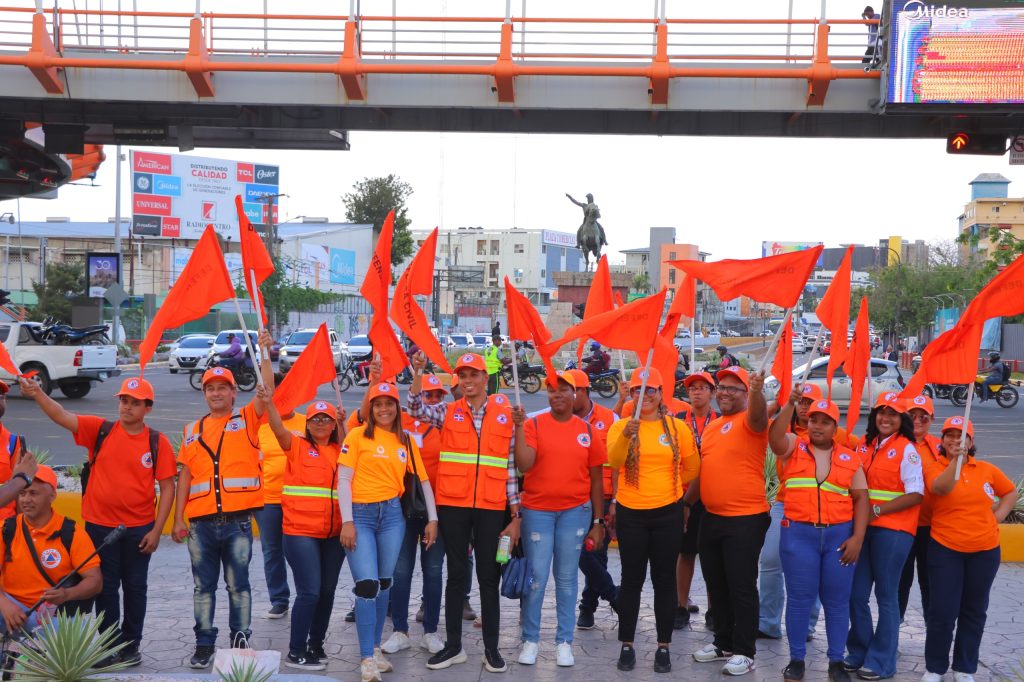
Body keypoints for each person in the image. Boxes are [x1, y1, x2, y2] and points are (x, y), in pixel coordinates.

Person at [20, 376, 176, 667]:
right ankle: (107, 646)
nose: (127, 407)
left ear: (147, 408)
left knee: (135, 587)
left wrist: (156, 530)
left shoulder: (157, 442)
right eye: (123, 400)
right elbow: (62, 416)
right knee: (104, 587)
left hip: (139, 529)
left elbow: (168, 486)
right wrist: (39, 393)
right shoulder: (100, 430)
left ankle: (130, 645)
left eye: (135, 403)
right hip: (100, 528)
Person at [409, 352, 521, 673]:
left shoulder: (504, 414)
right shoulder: (448, 411)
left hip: (490, 508)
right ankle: (454, 646)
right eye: (463, 376)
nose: (468, 381)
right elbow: (416, 408)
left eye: (474, 375)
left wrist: (515, 514)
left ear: (486, 378)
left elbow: (511, 467)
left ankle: (491, 649)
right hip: (454, 506)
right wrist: (418, 371)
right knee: (456, 575)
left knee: (489, 576)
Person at [172, 330, 275, 669]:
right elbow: (184, 475)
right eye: (210, 388)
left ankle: (240, 638)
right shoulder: (192, 430)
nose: (216, 393)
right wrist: (177, 519)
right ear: (205, 393)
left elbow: (266, 392)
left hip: (237, 522)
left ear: (234, 392)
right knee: (203, 588)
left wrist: (264, 353)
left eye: (222, 387)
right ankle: (204, 643)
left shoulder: (245, 419)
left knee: (238, 585)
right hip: (200, 524)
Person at [339, 381, 438, 682]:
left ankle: (376, 649)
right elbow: (343, 479)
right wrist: (347, 521)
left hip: (393, 516)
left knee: (384, 583)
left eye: (389, 404)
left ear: (397, 408)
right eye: (378, 404)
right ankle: (367, 657)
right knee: (367, 585)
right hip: (361, 515)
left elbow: (422, 482)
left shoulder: (406, 441)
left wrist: (432, 519)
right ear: (371, 409)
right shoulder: (356, 436)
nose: (383, 409)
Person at [769, 395, 869, 682]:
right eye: (813, 420)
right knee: (800, 600)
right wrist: (788, 405)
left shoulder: (850, 458)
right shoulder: (792, 446)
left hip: (838, 538)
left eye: (825, 422)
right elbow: (774, 438)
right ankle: (797, 659)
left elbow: (861, 499)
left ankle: (836, 661)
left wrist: (858, 539)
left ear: (835, 427)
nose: (817, 426)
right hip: (799, 536)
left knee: (837, 602)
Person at [607, 367, 700, 674]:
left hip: (667, 514)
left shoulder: (676, 428)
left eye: (650, 390)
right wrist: (626, 434)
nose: (644, 395)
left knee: (664, 581)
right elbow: (616, 462)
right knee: (631, 581)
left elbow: (691, 467)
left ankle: (664, 647)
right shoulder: (620, 425)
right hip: (631, 514)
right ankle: (627, 644)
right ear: (630, 394)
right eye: (637, 390)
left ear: (661, 394)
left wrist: (671, 488)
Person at [512, 372, 607, 668]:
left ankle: (564, 641)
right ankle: (530, 639)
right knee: (537, 578)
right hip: (537, 512)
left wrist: (598, 521)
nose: (558, 395)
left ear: (575, 392)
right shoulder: (533, 424)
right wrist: (518, 430)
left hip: (575, 513)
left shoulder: (588, 431)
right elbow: (524, 465)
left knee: (566, 580)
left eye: (564, 390)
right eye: (552, 390)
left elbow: (596, 481)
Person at [920, 417, 1017, 682]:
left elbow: (1009, 492)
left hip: (985, 551)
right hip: (945, 549)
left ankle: (964, 668)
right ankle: (935, 668)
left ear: (971, 442)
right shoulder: (933, 467)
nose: (955, 440)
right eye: (949, 435)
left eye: (961, 436)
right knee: (942, 610)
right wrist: (956, 462)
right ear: (941, 441)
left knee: (974, 610)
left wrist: (996, 517)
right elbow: (940, 488)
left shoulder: (986, 469)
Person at [258, 387, 346, 672]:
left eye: (326, 419)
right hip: (300, 532)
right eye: (315, 419)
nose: (320, 423)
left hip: (333, 535)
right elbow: (276, 426)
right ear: (306, 424)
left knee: (328, 591)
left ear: (334, 424)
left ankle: (316, 644)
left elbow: (352, 446)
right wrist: (269, 402)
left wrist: (345, 423)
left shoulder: (340, 451)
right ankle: (295, 652)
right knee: (309, 592)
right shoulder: (295, 445)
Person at [691, 365, 770, 677]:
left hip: (745, 517)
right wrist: (686, 504)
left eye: (732, 389)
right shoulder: (713, 426)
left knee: (741, 585)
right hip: (712, 517)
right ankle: (722, 641)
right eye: (721, 387)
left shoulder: (751, 421)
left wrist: (756, 391)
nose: (724, 393)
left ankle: (745, 651)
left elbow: (760, 416)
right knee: (717, 583)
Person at [760, 382, 852, 642]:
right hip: (784, 504)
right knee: (769, 561)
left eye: (809, 403)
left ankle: (808, 626)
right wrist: (786, 404)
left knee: (813, 571)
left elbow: (861, 451)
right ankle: (767, 622)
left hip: (821, 514)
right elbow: (767, 428)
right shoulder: (786, 429)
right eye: (802, 402)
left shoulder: (838, 435)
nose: (804, 408)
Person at [844, 392, 924, 681]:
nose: (885, 418)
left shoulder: (907, 449)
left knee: (886, 596)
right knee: (855, 594)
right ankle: (858, 652)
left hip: (894, 531)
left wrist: (877, 510)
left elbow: (916, 494)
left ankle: (882, 661)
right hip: (863, 529)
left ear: (902, 419)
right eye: (881, 412)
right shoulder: (865, 445)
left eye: (892, 414)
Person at [383, 369, 448, 656]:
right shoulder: (399, 424)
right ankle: (400, 630)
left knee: (433, 571)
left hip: (436, 510)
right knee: (401, 570)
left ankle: (431, 631)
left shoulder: (446, 425)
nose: (433, 399)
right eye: (428, 394)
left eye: (438, 395)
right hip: (402, 508)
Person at [0, 466, 102, 636]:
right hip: (11, 613)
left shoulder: (71, 532)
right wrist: (4, 603)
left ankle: (25, 648)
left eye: (34, 493)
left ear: (52, 495)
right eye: (22, 494)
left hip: (50, 618)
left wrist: (66, 594)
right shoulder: (7, 529)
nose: (26, 499)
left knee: (74, 639)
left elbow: (95, 581)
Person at [565, 369, 620, 631]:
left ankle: (587, 607)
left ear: (585, 392)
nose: (565, 396)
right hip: (573, 497)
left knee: (596, 554)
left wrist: (615, 502)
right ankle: (613, 596)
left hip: (605, 495)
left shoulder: (611, 419)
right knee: (582, 553)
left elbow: (619, 463)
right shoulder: (559, 418)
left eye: (571, 391)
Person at [253, 375, 305, 620]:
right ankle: (279, 599)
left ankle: (306, 594)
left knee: (300, 552)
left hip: (300, 499)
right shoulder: (260, 427)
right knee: (272, 551)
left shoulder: (307, 423)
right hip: (268, 501)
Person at [676, 371, 720, 629]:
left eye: (703, 387)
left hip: (713, 495)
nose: (697, 392)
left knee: (712, 556)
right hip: (684, 497)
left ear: (712, 393)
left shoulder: (722, 421)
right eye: (693, 388)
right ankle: (680, 605)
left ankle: (714, 611)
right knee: (685, 553)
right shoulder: (678, 421)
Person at [898, 395, 943, 624]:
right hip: (902, 526)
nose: (917, 420)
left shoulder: (941, 447)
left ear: (931, 419)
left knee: (930, 581)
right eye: (911, 416)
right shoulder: (896, 443)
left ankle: (933, 632)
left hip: (931, 527)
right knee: (900, 581)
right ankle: (891, 634)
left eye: (923, 416)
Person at [0, 382, 27, 520]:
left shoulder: (12, 442)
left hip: (6, 529)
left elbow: (21, 492)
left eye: (1, 395)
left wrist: (22, 529)